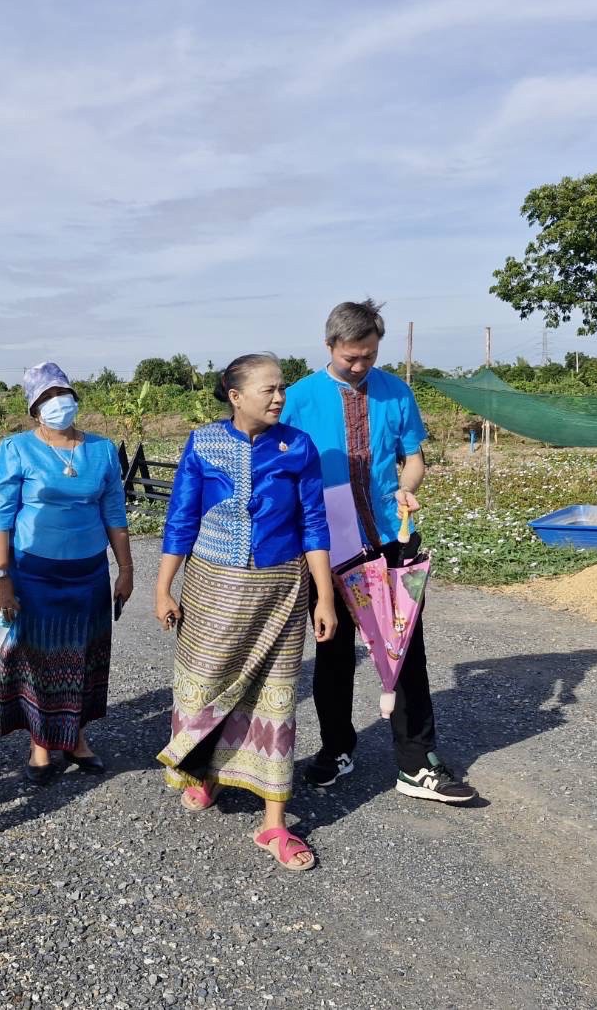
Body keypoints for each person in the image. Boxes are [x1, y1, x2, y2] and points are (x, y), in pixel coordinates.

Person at [280, 298, 477, 804]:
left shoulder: (395, 392)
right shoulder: (299, 398)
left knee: (404, 649)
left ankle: (416, 762)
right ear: (329, 347)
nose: (360, 365)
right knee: (333, 650)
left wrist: (407, 487)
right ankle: (336, 748)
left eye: (368, 355)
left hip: (391, 538)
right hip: (328, 545)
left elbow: (414, 458)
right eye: (351, 357)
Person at [154, 353, 337, 871]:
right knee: (210, 684)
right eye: (269, 389)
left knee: (275, 697)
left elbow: (314, 526)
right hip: (212, 585)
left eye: (281, 388)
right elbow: (181, 520)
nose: (279, 397)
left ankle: (274, 823)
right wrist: (164, 588)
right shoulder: (203, 442)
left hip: (281, 587)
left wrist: (323, 597)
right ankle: (206, 777)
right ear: (236, 396)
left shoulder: (297, 446)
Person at [0, 361, 134, 785]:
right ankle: (39, 743)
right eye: (47, 398)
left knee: (83, 657)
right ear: (34, 408)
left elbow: (113, 511)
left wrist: (125, 567)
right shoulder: (16, 449)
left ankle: (76, 738)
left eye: (62, 394)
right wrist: (3, 579)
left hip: (88, 576)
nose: (58, 404)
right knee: (38, 660)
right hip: (33, 576)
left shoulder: (102, 450)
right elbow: (0, 517)